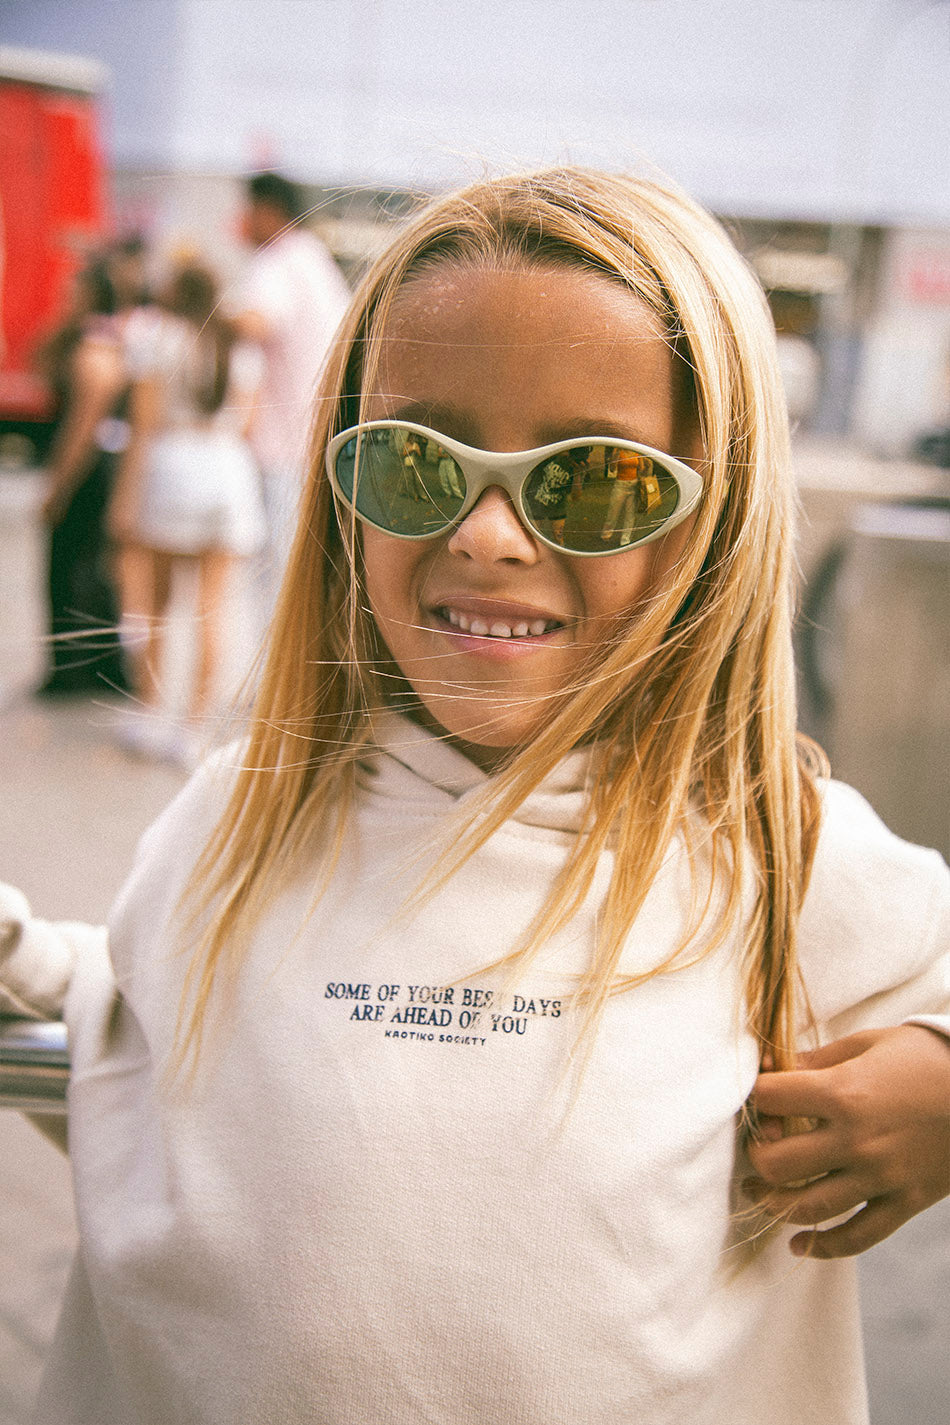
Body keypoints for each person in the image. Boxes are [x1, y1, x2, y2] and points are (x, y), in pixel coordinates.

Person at [2, 167, 948, 1424]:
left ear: (714, 524)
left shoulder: (781, 855)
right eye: (410, 463)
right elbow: (139, 1033)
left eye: (593, 479)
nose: (490, 534)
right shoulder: (245, 810)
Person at [109, 261, 265, 764]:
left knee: (155, 603)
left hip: (171, 470)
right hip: (227, 471)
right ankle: (193, 730)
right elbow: (248, 421)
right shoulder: (240, 349)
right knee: (211, 610)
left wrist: (125, 496)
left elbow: (144, 421)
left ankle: (151, 712)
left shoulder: (161, 340)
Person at [233, 171, 350, 614]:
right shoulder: (315, 258)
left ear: (268, 210)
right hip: (316, 437)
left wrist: (200, 313)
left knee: (276, 575)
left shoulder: (277, 261)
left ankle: (273, 681)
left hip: (283, 445)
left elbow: (258, 322)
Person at [34, 260, 132, 696]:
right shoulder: (103, 342)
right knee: (90, 569)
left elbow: (82, 424)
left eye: (72, 291)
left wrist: (59, 484)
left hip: (88, 473)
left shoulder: (95, 349)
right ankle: (94, 665)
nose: (65, 298)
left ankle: (75, 669)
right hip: (98, 469)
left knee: (71, 569)